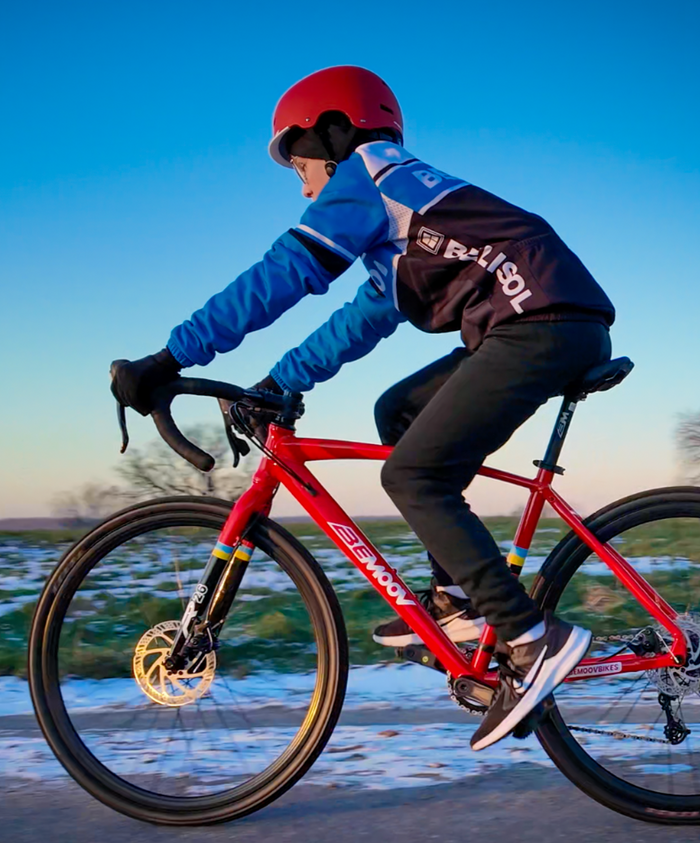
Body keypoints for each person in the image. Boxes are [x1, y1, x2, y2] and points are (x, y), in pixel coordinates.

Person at [111, 65, 616, 751]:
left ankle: (530, 640)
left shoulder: (371, 172)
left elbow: (282, 275)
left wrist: (169, 358)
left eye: (302, 165)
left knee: (411, 476)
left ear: (338, 133)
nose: (304, 185)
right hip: (536, 322)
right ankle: (460, 601)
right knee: (398, 415)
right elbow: (359, 322)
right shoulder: (400, 222)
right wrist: (277, 384)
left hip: (539, 323)